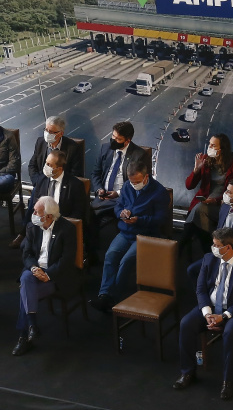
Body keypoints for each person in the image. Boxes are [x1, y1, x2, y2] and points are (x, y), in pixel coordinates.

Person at [173, 228, 233, 401]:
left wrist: (225, 316)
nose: (212, 247)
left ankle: (228, 381)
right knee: (186, 324)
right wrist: (207, 313)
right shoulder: (208, 259)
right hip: (211, 307)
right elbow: (201, 289)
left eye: (216, 245)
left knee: (230, 333)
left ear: (228, 247)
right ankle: (188, 372)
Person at [90, 160, 170, 311]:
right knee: (110, 255)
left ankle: (113, 298)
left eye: (137, 181)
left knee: (126, 261)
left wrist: (140, 220)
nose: (134, 184)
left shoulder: (159, 193)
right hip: (126, 231)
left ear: (147, 177)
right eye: (132, 181)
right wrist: (121, 212)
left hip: (145, 235)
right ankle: (104, 294)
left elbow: (161, 220)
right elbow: (119, 205)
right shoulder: (127, 186)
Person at [11, 196, 80, 356]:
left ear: (48, 216)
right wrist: (34, 268)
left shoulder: (67, 229)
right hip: (35, 272)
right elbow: (26, 254)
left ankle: (25, 336)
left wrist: (48, 275)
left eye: (36, 212)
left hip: (56, 276)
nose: (33, 214)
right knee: (26, 278)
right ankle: (32, 326)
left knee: (25, 293)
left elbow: (67, 260)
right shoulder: (32, 227)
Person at [88, 121, 150, 254]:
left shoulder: (139, 155)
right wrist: (99, 189)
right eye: (113, 137)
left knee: (93, 211)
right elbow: (96, 173)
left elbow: (138, 184)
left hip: (123, 198)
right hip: (103, 196)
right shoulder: (105, 148)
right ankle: (91, 254)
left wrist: (117, 193)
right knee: (86, 215)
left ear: (127, 141)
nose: (114, 141)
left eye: (118, 139)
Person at [179, 134, 233, 255]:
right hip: (203, 201)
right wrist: (196, 170)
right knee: (199, 211)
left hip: (222, 205)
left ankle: (180, 247)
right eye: (209, 144)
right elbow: (189, 186)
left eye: (213, 145)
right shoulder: (205, 160)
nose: (209, 147)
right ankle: (208, 252)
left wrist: (214, 201)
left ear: (222, 149)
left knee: (198, 211)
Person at [185, 179, 233, 283]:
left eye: (229, 192)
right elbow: (219, 230)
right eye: (226, 190)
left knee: (213, 279)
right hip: (220, 252)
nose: (225, 193)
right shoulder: (225, 207)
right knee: (192, 270)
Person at [10, 150, 87, 248]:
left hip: (62, 226)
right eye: (46, 163)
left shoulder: (75, 185)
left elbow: (79, 211)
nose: (45, 166)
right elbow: (35, 204)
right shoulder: (42, 180)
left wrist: (59, 225)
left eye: (49, 164)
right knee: (25, 247)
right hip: (42, 224)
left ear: (59, 169)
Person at [28, 115, 83, 180]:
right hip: (41, 181)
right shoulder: (40, 142)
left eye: (51, 132)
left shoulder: (73, 148)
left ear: (61, 134)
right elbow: (32, 165)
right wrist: (37, 182)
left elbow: (75, 174)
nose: (47, 134)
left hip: (61, 184)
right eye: (46, 130)